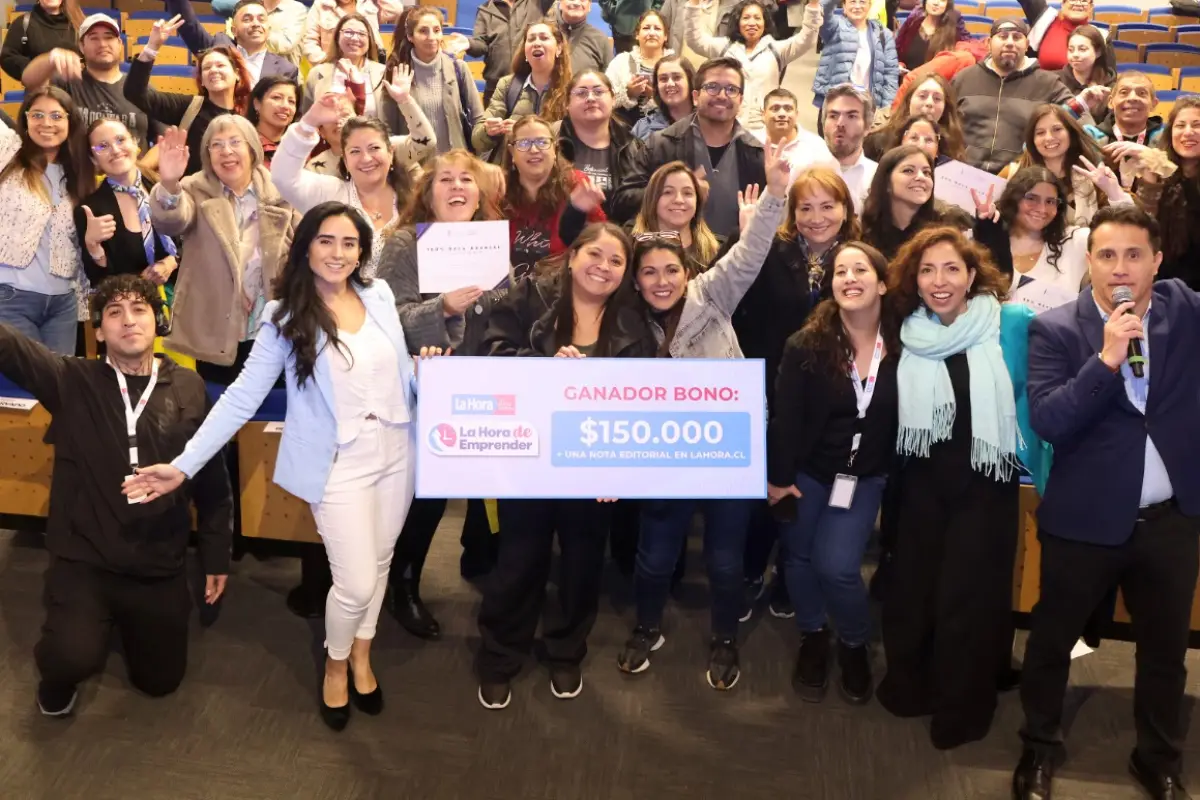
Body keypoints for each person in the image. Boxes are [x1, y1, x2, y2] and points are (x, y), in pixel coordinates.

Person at [127, 202, 429, 732]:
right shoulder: (284, 315)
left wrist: (428, 376)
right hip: (339, 466)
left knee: (380, 565)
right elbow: (242, 398)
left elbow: (401, 374)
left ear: (362, 252)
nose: (338, 253)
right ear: (307, 245)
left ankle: (363, 653)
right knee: (355, 583)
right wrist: (183, 465)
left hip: (398, 453)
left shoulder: (378, 295)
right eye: (327, 241)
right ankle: (337, 663)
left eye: (349, 243)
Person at [1013, 204, 1200, 800]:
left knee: (1167, 653)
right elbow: (1048, 420)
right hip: (1083, 523)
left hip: (1170, 524)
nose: (1121, 268)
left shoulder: (1186, 311)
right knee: (1050, 644)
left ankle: (1158, 758)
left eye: (1134, 254)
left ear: (1157, 262)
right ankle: (1038, 749)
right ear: (1088, 261)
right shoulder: (1058, 330)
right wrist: (1107, 359)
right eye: (1107, 255)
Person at [0, 274, 232, 717]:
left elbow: (212, 476)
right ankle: (65, 659)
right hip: (85, 557)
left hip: (157, 559)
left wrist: (217, 554)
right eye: (114, 312)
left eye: (139, 309)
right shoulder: (70, 379)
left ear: (157, 321)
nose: (128, 320)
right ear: (99, 329)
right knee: (70, 656)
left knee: (161, 682)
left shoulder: (188, 387)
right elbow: (8, 345)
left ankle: (122, 622)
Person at [615, 140, 789, 687]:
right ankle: (647, 627)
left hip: (729, 448)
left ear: (686, 270)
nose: (662, 281)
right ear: (636, 280)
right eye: (650, 274)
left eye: (671, 270)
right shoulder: (626, 327)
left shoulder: (712, 295)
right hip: (666, 456)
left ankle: (725, 638)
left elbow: (753, 248)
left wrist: (777, 193)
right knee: (655, 556)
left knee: (723, 559)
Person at [874, 225, 1041, 750]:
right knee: (916, 592)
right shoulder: (907, 331)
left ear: (972, 275)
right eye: (927, 270)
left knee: (967, 599)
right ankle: (914, 687)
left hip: (984, 485)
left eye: (951, 268)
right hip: (921, 484)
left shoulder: (1008, 323)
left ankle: (963, 709)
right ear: (913, 278)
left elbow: (1034, 398)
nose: (939, 280)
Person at [476, 222, 654, 709]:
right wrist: (544, 367)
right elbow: (489, 357)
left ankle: (565, 651)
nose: (604, 267)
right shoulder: (527, 297)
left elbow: (641, 404)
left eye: (617, 261)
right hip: (529, 455)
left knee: (581, 564)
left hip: (591, 467)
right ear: (573, 256)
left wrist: (617, 468)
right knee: (518, 560)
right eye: (595, 254)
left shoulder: (633, 322)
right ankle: (499, 655)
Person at [374, 150, 505, 638]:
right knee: (425, 495)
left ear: (479, 192)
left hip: (484, 381)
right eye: (444, 179)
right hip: (423, 383)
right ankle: (403, 585)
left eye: (466, 180)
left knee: (484, 484)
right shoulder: (405, 242)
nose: (456, 187)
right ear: (427, 194)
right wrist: (442, 307)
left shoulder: (493, 242)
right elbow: (390, 316)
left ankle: (489, 571)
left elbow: (507, 309)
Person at [767, 241, 899, 705]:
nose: (849, 278)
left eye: (860, 269)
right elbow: (786, 419)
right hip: (808, 471)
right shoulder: (806, 345)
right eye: (840, 271)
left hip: (866, 477)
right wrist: (779, 479)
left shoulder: (907, 344)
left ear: (882, 283)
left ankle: (855, 641)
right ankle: (813, 633)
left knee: (838, 566)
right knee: (799, 556)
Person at [149, 117, 298, 385]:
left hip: (273, 326)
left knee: (271, 418)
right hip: (217, 327)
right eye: (216, 145)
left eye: (234, 142)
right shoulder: (194, 189)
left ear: (252, 148)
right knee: (220, 410)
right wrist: (170, 183)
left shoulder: (281, 190)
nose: (226, 151)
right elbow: (171, 220)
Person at [274, 83, 434, 276]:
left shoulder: (416, 198)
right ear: (345, 160)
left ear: (391, 153)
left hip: (406, 302)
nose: (366, 158)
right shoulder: (330, 194)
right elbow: (283, 177)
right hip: (344, 303)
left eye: (374, 148)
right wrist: (309, 122)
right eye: (355, 151)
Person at [734, 166, 861, 405]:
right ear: (793, 213)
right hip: (769, 385)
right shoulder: (767, 249)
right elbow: (729, 299)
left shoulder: (862, 259)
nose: (816, 218)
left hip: (837, 388)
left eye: (827, 206)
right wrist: (747, 241)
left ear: (845, 210)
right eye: (805, 208)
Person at [615, 57, 766, 237]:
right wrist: (670, 191)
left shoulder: (756, 153)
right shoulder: (661, 144)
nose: (722, 95)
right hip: (673, 256)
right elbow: (623, 201)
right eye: (712, 87)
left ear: (740, 100)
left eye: (731, 89)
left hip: (734, 259)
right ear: (695, 96)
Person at [951, 19, 1101, 175]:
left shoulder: (1048, 83)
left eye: (1017, 37)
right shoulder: (964, 79)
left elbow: (1084, 125)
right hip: (963, 176)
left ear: (1027, 43)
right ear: (989, 42)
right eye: (1003, 36)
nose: (1010, 43)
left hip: (1020, 180)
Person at [0, 86, 84, 356]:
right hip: (10, 297)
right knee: (22, 393)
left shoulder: (80, 174)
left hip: (63, 305)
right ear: (25, 119)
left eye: (57, 116)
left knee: (58, 392)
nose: (46, 123)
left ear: (70, 121)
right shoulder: (8, 154)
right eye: (37, 115)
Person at [125, 17, 253, 177]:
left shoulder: (252, 112)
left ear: (237, 75)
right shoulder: (190, 107)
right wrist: (151, 48)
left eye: (220, 65)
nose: (213, 70)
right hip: (194, 196)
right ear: (203, 82)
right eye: (207, 67)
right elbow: (135, 93)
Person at [22, 14, 158, 154]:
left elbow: (165, 141)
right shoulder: (67, 82)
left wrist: (139, 172)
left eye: (109, 37)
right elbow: (29, 81)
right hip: (78, 173)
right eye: (94, 38)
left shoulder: (142, 89)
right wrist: (51, 58)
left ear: (119, 44)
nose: (102, 44)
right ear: (81, 46)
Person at [972, 165, 1097, 314]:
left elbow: (1125, 239)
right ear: (1014, 199)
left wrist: (1116, 195)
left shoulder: (1076, 240)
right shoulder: (991, 240)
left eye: (1050, 202)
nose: (1042, 209)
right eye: (1032, 199)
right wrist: (985, 228)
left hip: (1057, 336)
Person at [684, 0, 821, 134]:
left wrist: (813, 5)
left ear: (764, 22)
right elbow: (694, 38)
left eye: (757, 18)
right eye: (746, 18)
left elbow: (807, 38)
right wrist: (693, 4)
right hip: (728, 126)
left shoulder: (777, 50)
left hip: (765, 128)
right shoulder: (724, 47)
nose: (752, 23)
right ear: (738, 22)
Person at [75, 119, 178, 291]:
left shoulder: (162, 186)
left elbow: (189, 240)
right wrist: (93, 248)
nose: (115, 150)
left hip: (182, 302)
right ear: (93, 160)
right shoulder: (90, 211)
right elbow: (98, 283)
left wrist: (172, 261)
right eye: (102, 146)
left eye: (120, 140)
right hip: (131, 309)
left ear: (135, 143)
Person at [504, 115, 606, 278]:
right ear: (512, 153)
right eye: (524, 143)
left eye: (542, 142)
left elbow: (600, 244)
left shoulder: (576, 184)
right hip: (509, 291)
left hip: (564, 286)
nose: (534, 150)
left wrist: (578, 212)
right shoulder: (499, 189)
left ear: (555, 149)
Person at [1115, 97, 1200, 292]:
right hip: (1161, 280)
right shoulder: (1155, 171)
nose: (1188, 132)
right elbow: (1144, 226)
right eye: (1180, 125)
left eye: (1197, 125)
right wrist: (1151, 176)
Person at [1001, 104, 1128, 227]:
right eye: (1040, 133)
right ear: (1032, 140)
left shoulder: (1096, 176)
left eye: (1057, 129)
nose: (1049, 137)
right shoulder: (1011, 174)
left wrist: (1114, 193)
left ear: (1070, 133)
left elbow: (1127, 223)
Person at [383, 7, 485, 154]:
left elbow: (478, 119)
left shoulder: (459, 68)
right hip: (415, 169)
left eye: (437, 30)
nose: (431, 37)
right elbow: (388, 130)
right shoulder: (397, 72)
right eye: (423, 31)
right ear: (410, 36)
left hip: (455, 165)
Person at [473, 20, 572, 158]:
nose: (537, 43)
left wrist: (524, 132)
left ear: (559, 48)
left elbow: (575, 141)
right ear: (525, 51)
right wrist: (488, 131)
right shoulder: (507, 85)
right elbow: (478, 141)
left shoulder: (572, 90)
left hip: (553, 173)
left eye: (544, 38)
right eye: (531, 39)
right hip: (509, 171)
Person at [555, 70, 645, 220]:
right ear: (567, 104)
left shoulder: (635, 146)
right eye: (581, 93)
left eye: (598, 92)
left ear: (613, 99)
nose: (590, 98)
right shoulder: (551, 143)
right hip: (564, 238)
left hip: (622, 237)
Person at [165, 0, 299, 85]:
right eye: (247, 19)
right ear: (234, 30)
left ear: (268, 29)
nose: (255, 24)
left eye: (261, 19)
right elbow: (189, 25)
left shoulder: (286, 70)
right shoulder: (218, 48)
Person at [629, 160, 722, 272]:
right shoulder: (629, 248)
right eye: (668, 192)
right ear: (652, 199)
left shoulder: (718, 252)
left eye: (687, 193)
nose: (679, 200)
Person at [813, 0, 898, 112]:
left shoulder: (883, 33)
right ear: (844, 6)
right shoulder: (834, 27)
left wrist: (886, 109)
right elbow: (823, 9)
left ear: (869, 6)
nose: (857, 6)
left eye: (862, 2)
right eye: (852, 2)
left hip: (868, 106)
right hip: (835, 104)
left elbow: (891, 74)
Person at [859, 144, 941, 260]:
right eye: (908, 171)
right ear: (886, 183)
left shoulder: (943, 232)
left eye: (926, 172)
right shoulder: (862, 232)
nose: (921, 177)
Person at [863, 74, 964, 163]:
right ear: (909, 101)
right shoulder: (877, 142)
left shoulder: (953, 149)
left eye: (937, 99)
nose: (929, 103)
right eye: (922, 96)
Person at [305, 14, 387, 120]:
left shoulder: (383, 73)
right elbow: (306, 117)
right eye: (348, 32)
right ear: (337, 37)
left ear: (369, 40)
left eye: (361, 34)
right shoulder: (317, 73)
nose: (354, 38)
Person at [469, 0, 552, 103]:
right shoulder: (485, 10)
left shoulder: (536, 3)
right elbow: (481, 45)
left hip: (530, 85)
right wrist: (469, 44)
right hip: (494, 86)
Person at [605, 10, 673, 127]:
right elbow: (605, 98)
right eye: (646, 28)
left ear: (665, 36)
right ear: (637, 34)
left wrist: (655, 96)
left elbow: (685, 105)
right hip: (626, 133)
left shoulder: (675, 65)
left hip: (667, 132)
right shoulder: (621, 61)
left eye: (657, 28)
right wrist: (628, 92)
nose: (651, 33)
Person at [821, 84, 877, 214]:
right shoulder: (803, 170)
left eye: (851, 116)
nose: (840, 123)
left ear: (867, 127)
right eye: (833, 116)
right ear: (823, 124)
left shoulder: (878, 178)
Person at [761, 87, 836, 180]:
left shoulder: (817, 147)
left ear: (796, 114)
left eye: (788, 109)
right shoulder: (750, 143)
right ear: (763, 114)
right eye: (775, 108)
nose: (782, 114)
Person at [1014, 0, 1106, 72]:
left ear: (1091, 7)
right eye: (1073, 0)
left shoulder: (1101, 36)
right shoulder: (1045, 20)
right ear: (1063, 4)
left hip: (1080, 92)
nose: (1078, 3)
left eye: (1084, 0)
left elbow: (1108, 76)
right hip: (1042, 88)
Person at [213, 0, 310, 65]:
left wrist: (253, 33)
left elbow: (285, 45)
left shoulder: (297, 9)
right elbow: (217, 4)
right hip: (247, 74)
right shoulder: (248, 6)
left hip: (282, 78)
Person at [1, 0, 77, 83]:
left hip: (75, 92)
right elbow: (7, 57)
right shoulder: (23, 23)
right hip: (39, 92)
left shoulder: (77, 23)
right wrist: (38, 69)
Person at [302, 0, 393, 67]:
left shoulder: (368, 3)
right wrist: (327, 64)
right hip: (332, 69)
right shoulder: (321, 5)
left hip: (368, 67)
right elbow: (309, 42)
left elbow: (395, 9)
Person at [892, 0, 968, 72]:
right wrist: (899, 64)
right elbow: (896, 52)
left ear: (947, 4)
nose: (936, 3)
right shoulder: (912, 22)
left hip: (936, 83)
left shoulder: (953, 29)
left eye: (942, 0)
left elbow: (968, 51)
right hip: (907, 80)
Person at [631, 54, 694, 141]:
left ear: (690, 81)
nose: (670, 84)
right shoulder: (643, 128)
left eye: (677, 77)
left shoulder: (707, 122)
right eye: (663, 79)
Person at [248, 75, 301, 166]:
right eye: (276, 98)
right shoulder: (245, 143)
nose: (285, 106)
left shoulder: (300, 146)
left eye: (291, 101)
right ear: (257, 103)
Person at [555, 0, 613, 74]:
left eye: (583, 0)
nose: (576, 3)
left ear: (589, 6)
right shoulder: (545, 35)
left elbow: (610, 80)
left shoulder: (600, 39)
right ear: (560, 3)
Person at [1059, 24, 1114, 95]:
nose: (1075, 54)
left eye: (1082, 49)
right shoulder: (1055, 80)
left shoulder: (1111, 85)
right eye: (1071, 50)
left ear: (1098, 52)